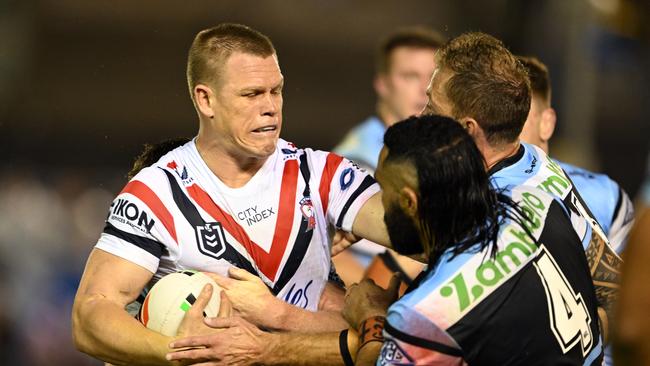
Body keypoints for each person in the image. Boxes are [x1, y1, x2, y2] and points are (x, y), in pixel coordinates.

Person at [72, 23, 389, 365]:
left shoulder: (322, 174)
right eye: (252, 94)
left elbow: (419, 234)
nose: (271, 107)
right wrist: (180, 352)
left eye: (276, 91)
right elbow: (90, 315)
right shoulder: (156, 194)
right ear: (205, 99)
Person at [344, 114, 604, 365]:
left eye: (384, 191)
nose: (382, 206)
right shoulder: (539, 201)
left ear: (409, 202)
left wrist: (373, 319)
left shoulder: (424, 315)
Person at [421, 32, 621, 338]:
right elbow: (614, 284)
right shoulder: (535, 162)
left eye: (432, 109)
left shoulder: (496, 215)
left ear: (468, 129)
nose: (421, 118)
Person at [333, 26, 444, 288]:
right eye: (410, 76)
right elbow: (328, 254)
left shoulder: (437, 148)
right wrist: (374, 304)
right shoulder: (356, 162)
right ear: (382, 85)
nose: (424, 89)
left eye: (433, 77)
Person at [517, 55, 635, 254]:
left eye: (517, 116)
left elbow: (632, 281)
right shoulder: (473, 194)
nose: (503, 128)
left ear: (547, 123)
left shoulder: (605, 199)